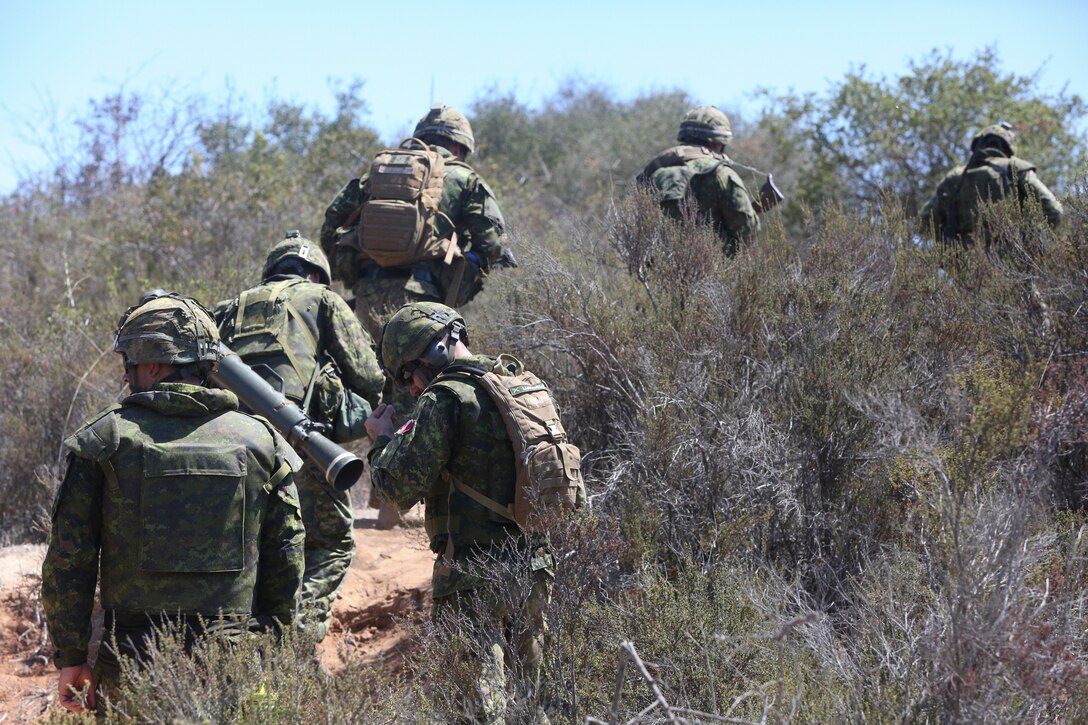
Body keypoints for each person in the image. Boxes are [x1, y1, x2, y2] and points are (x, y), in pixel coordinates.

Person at [41, 293, 305, 714]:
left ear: (153, 365)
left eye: (129, 364)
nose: (126, 378)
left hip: (131, 661)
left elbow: (69, 560)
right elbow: (287, 555)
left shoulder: (106, 439)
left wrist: (71, 657)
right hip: (234, 661)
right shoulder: (261, 442)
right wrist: (273, 649)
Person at [365, 302, 566, 724]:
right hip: (535, 567)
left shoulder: (446, 398)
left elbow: (397, 488)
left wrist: (382, 440)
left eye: (408, 374)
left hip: (472, 577)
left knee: (474, 709)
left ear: (432, 354)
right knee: (530, 701)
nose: (412, 386)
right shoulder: (521, 382)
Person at [216, 231, 384, 640]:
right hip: (301, 441)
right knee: (330, 542)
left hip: (229, 446)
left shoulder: (226, 309)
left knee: (245, 547)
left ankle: (241, 643)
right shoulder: (321, 299)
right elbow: (368, 375)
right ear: (316, 274)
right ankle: (298, 642)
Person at [320, 104, 511, 337]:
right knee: (419, 371)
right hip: (425, 300)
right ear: (457, 146)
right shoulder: (465, 179)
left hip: (366, 296)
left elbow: (331, 225)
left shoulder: (378, 174)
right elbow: (492, 243)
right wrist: (470, 269)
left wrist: (351, 270)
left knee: (367, 371)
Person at [638, 105, 760, 256]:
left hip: (654, 272)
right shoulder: (721, 173)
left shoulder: (654, 171)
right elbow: (747, 231)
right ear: (718, 143)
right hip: (712, 272)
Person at [920, 122, 1063, 247]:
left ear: (978, 145)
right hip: (1010, 263)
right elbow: (1054, 210)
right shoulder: (1016, 168)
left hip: (964, 266)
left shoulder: (955, 176)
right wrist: (1031, 240)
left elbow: (925, 221)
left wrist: (950, 245)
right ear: (1009, 148)